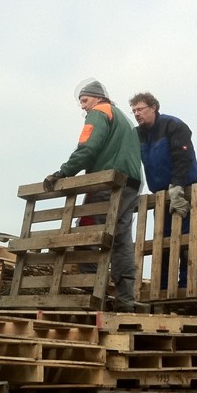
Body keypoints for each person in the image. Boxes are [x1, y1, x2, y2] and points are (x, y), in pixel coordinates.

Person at [44, 80, 142, 312]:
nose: (83, 107)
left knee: (87, 231)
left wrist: (63, 172)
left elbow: (88, 148)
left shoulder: (99, 113)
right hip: (131, 185)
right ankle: (125, 302)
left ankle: (89, 295)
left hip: (106, 183)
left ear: (97, 98)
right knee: (121, 240)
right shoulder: (123, 118)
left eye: (85, 100)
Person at [129, 92, 197, 289]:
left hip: (186, 189)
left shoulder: (173, 126)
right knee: (163, 242)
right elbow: (132, 162)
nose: (137, 114)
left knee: (187, 242)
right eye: (134, 110)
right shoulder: (138, 135)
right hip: (160, 195)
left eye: (140, 109)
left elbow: (182, 157)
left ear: (153, 108)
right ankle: (162, 288)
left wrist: (177, 187)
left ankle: (185, 287)